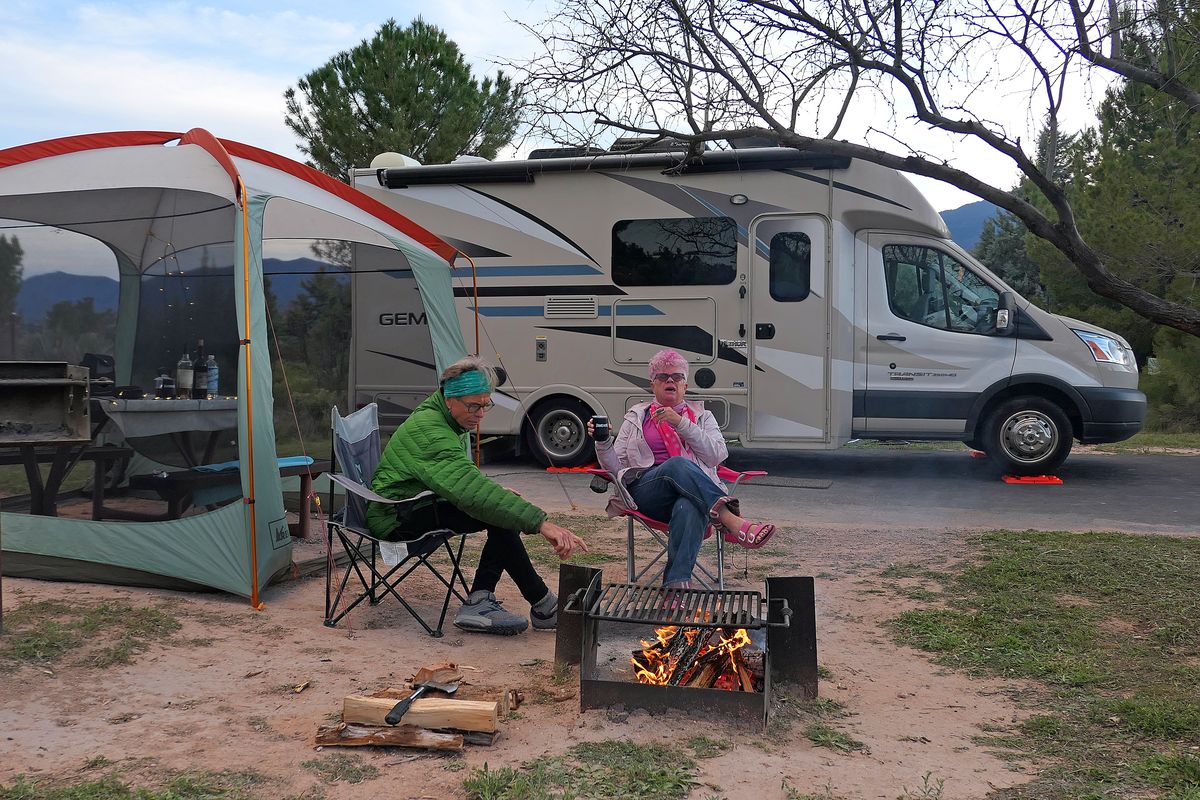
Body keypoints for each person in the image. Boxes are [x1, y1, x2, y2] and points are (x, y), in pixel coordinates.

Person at [367, 355, 588, 635]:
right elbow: (471, 492)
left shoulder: (448, 419)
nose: (481, 414)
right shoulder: (430, 430)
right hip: (395, 517)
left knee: (498, 508)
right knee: (497, 513)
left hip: (419, 502)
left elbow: (462, 479)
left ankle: (499, 601)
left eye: (486, 405)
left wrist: (495, 496)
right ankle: (535, 604)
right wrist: (541, 524)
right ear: (450, 399)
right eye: (474, 406)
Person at [590, 349, 776, 589]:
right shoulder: (636, 418)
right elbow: (615, 468)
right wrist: (602, 441)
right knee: (676, 465)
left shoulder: (703, 417)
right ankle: (730, 520)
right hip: (647, 493)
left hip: (694, 497)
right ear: (652, 385)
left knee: (687, 506)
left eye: (677, 377)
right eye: (663, 377)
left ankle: (676, 587)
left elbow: (717, 455)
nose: (670, 381)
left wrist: (681, 424)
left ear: (685, 385)